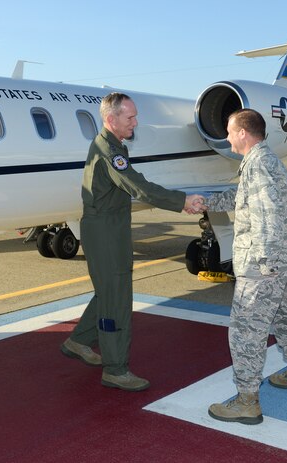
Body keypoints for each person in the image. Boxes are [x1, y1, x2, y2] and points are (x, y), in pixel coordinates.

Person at [60, 92, 205, 391]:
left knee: (106, 292)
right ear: (111, 119)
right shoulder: (110, 151)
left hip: (105, 228)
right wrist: (182, 200)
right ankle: (115, 369)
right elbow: (138, 186)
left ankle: (78, 341)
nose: (136, 122)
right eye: (130, 117)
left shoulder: (111, 145)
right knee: (117, 298)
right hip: (106, 233)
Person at [204, 109, 287, 425]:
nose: (226, 137)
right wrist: (205, 202)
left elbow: (268, 217)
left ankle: (247, 401)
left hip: (265, 264)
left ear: (243, 133)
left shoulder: (259, 166)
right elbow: (243, 199)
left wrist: (264, 265)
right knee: (284, 315)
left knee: (246, 329)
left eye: (229, 131)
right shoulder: (261, 163)